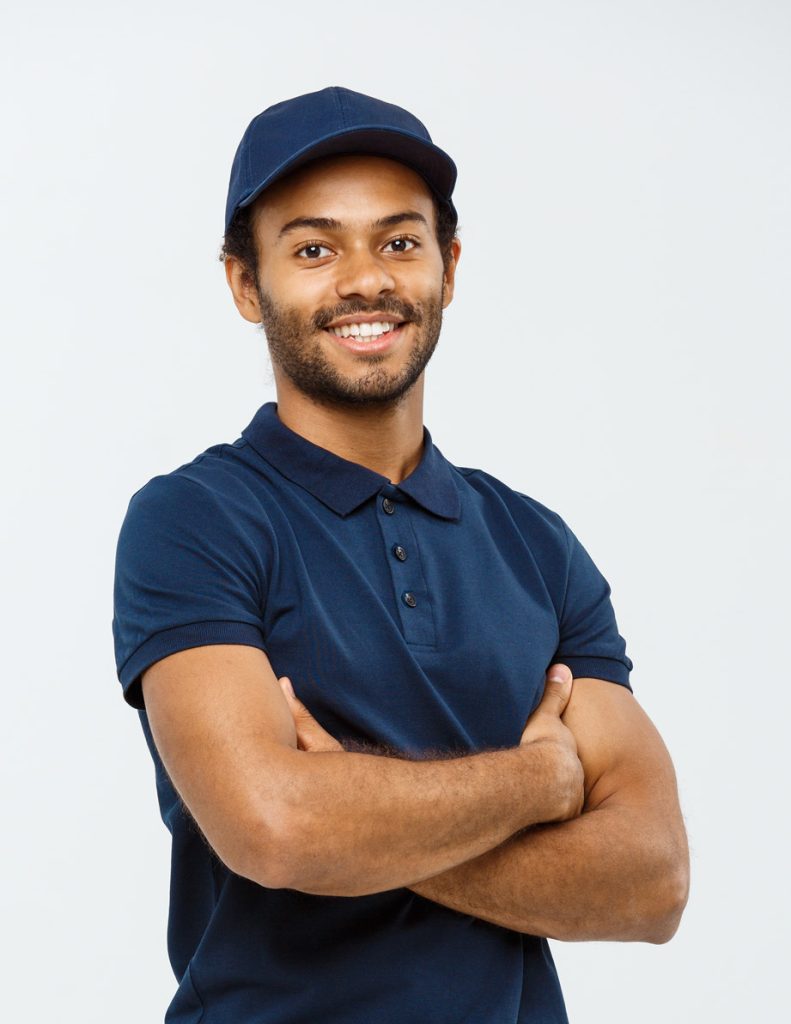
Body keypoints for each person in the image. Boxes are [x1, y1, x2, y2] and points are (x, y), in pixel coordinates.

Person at [112, 85, 689, 1024]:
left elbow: (651, 882)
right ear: (245, 284)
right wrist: (538, 782)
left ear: (447, 268)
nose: (365, 280)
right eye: (312, 248)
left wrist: (358, 812)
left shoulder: (536, 545)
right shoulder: (195, 520)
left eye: (398, 241)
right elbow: (277, 828)